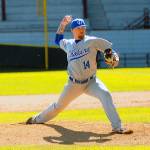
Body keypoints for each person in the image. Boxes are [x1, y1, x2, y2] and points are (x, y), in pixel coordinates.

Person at [26, 15, 133, 134]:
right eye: (78, 28)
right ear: (73, 30)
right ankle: (36, 119)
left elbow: (108, 49)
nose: (81, 30)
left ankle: (117, 127)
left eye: (83, 27)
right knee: (58, 106)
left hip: (92, 82)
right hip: (73, 84)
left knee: (105, 94)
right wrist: (62, 24)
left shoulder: (92, 41)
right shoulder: (68, 44)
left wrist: (113, 57)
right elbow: (57, 39)